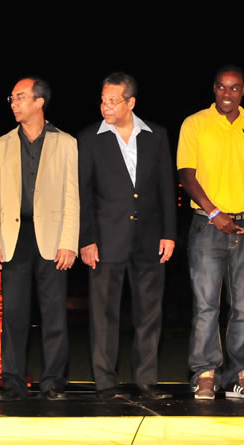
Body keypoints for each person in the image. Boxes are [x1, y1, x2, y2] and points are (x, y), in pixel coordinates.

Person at [79, 72, 175, 401]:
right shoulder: (89, 138)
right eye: (103, 100)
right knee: (104, 313)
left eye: (113, 101)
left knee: (149, 312)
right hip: (106, 240)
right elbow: (84, 193)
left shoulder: (156, 135)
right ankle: (106, 383)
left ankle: (146, 380)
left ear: (130, 102)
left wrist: (169, 233)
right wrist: (86, 239)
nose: (105, 106)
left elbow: (166, 187)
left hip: (149, 238)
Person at [0, 77, 79, 401]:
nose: (13, 103)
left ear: (39, 102)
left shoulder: (65, 142)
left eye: (20, 97)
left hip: (52, 239)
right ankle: (12, 384)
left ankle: (53, 383)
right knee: (15, 315)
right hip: (14, 237)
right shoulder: (1, 145)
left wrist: (69, 242)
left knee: (54, 315)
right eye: (12, 98)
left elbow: (71, 196)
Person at [177, 66, 244, 400]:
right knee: (206, 305)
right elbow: (187, 174)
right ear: (214, 89)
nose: (227, 94)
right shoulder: (195, 123)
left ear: (243, 91)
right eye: (221, 87)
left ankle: (239, 375)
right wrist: (214, 212)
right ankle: (205, 374)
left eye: (233, 88)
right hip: (207, 225)